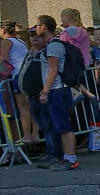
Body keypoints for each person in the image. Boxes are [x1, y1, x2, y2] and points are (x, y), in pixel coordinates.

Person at [21, 18, 79, 169]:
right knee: (58, 126)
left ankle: (71, 159)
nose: (36, 29)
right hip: (55, 90)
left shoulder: (54, 45)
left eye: (38, 26)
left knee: (63, 126)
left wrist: (45, 91)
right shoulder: (49, 45)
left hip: (58, 90)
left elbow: (53, 70)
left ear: (45, 28)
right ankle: (64, 157)